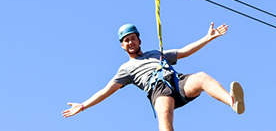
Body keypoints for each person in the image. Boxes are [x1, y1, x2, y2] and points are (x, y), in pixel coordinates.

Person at [62, 23, 245, 131]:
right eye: (126, 40)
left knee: (202, 77)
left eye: (133, 38)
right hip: (158, 89)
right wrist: (83, 105)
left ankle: (232, 101)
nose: (130, 42)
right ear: (122, 46)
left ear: (139, 41)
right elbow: (105, 91)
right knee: (164, 117)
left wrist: (208, 38)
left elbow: (183, 52)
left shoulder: (156, 53)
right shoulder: (126, 69)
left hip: (176, 80)